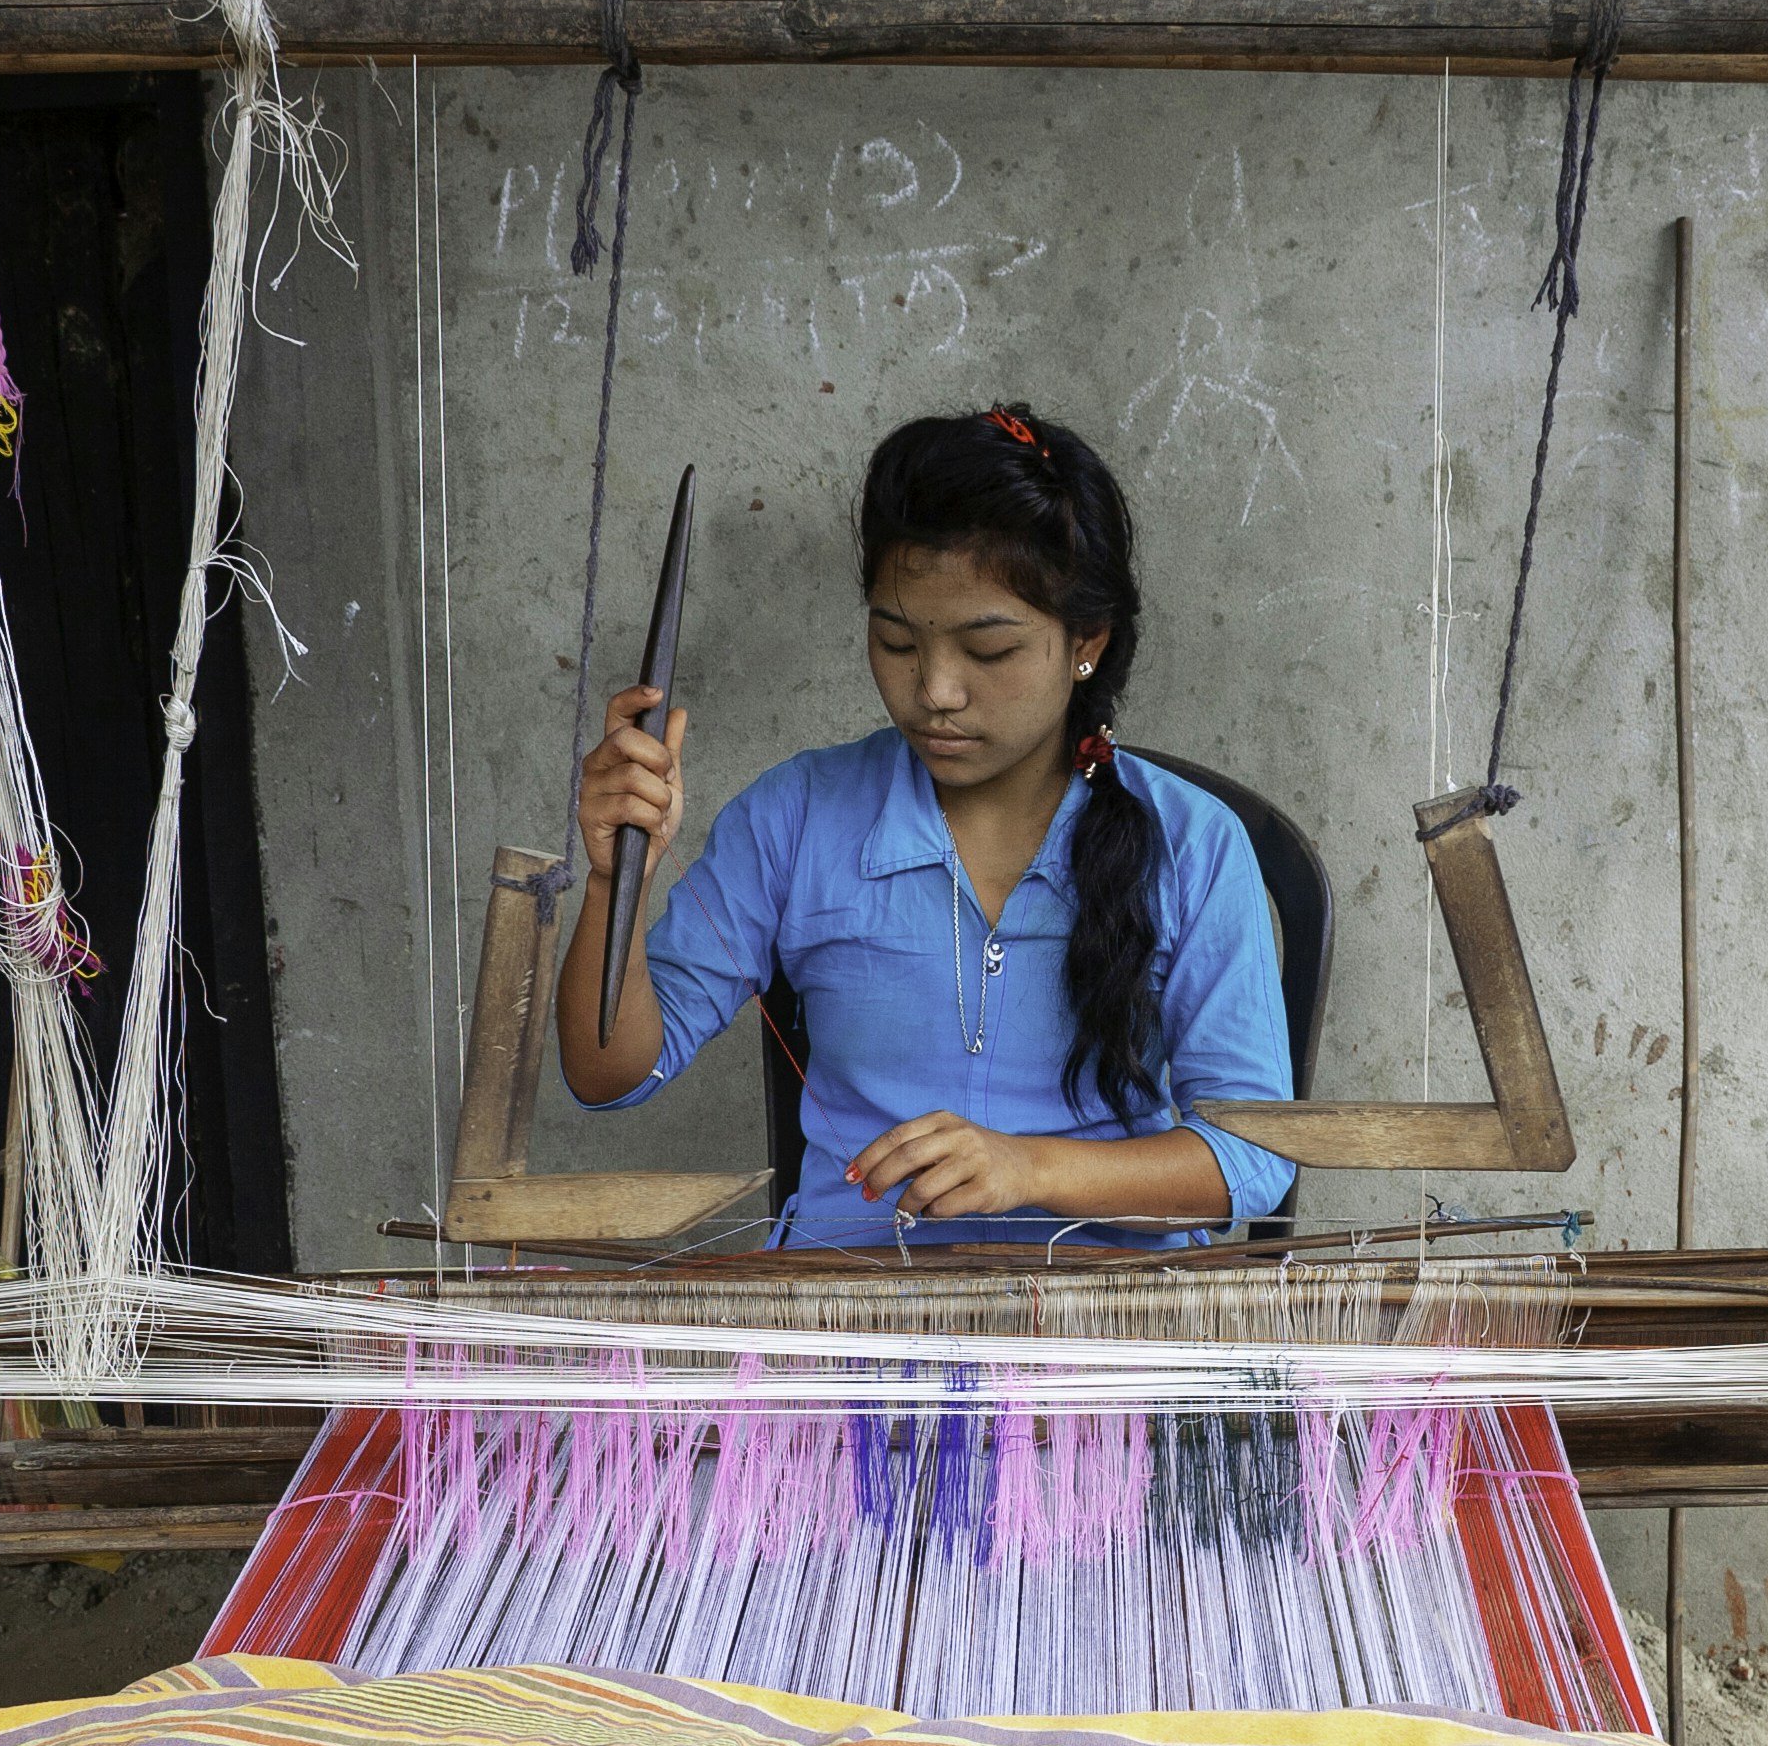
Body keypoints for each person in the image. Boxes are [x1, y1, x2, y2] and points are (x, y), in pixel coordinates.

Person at [552, 404, 1298, 1248]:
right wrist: (618, 878)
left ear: (1086, 640)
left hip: (1104, 1339)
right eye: (898, 642)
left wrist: (1032, 1169)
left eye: (989, 652)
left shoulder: (1193, 844)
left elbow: (1253, 1159)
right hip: (848, 1329)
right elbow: (608, 1074)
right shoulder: (799, 816)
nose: (935, 690)